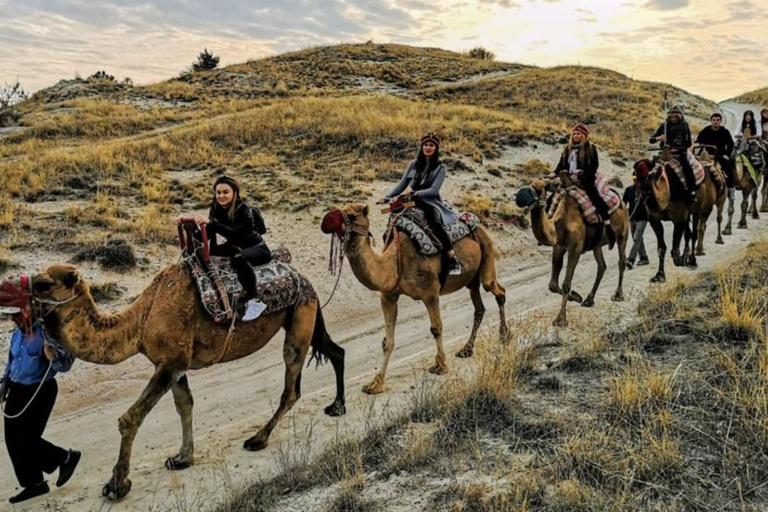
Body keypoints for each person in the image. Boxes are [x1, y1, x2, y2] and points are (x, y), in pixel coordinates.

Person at [1, 285, 79, 505]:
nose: (13, 320)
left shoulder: (49, 333)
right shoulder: (17, 335)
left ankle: (66, 457)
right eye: (11, 316)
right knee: (13, 440)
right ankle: (34, 484)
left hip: (40, 390)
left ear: (29, 309)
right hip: (17, 389)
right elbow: (11, 363)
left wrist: (53, 355)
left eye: (16, 314)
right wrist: (3, 384)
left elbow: (64, 365)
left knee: (27, 439)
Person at [377, 132, 462, 276]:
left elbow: (434, 190)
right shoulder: (413, 164)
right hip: (410, 201)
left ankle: (452, 257)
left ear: (436, 148)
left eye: (431, 145)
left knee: (433, 221)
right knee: (394, 217)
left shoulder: (441, 168)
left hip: (429, 201)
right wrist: (387, 197)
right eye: (426, 145)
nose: (428, 148)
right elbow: (402, 184)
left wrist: (415, 194)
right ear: (422, 146)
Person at [193, 175, 271, 321]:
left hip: (256, 248)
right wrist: (193, 229)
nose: (221, 196)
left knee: (238, 259)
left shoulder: (244, 209)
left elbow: (238, 235)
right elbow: (211, 232)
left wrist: (212, 223)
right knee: (207, 254)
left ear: (234, 192)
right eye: (218, 192)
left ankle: (254, 300)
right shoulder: (215, 208)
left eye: (225, 192)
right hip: (235, 246)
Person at [553, 123, 614, 238]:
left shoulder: (590, 148)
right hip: (569, 180)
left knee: (596, 199)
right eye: (574, 134)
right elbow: (561, 165)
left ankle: (608, 225)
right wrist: (554, 173)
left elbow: (594, 167)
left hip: (585, 180)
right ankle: (549, 225)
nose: (576, 136)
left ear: (584, 136)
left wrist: (582, 172)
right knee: (552, 198)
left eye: (578, 134)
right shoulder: (567, 148)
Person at [650, 105, 696, 200]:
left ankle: (691, 191)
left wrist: (678, 148)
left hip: (679, 154)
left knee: (687, 168)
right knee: (649, 168)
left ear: (679, 116)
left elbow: (688, 143)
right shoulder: (664, 126)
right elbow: (651, 140)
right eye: (671, 117)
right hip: (664, 154)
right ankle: (646, 191)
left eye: (675, 116)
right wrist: (659, 138)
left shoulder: (684, 126)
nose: (673, 118)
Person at [695, 113, 735, 188]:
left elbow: (730, 144)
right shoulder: (705, 131)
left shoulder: (724, 132)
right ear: (711, 121)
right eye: (714, 120)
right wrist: (697, 146)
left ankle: (731, 189)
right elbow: (698, 141)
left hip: (720, 155)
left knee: (728, 169)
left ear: (720, 121)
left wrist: (727, 154)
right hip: (706, 155)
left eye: (717, 120)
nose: (715, 122)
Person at [622, 173, 650, 269]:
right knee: (637, 238)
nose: (635, 180)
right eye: (633, 178)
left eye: (637, 178)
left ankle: (631, 259)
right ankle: (644, 257)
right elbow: (623, 203)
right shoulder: (629, 190)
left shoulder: (645, 190)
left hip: (643, 217)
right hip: (632, 217)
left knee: (637, 237)